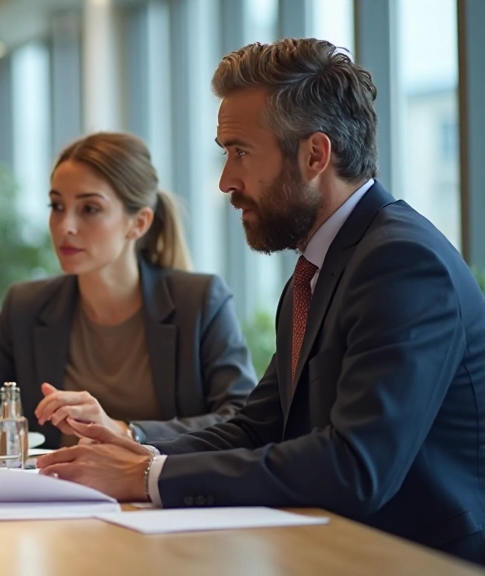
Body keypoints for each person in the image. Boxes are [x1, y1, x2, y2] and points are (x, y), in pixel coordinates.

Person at [36, 38, 485, 565]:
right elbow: (260, 424)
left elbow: (356, 465)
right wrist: (140, 455)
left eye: (240, 152)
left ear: (316, 154)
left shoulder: (402, 263)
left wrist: (145, 476)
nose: (227, 181)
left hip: (412, 558)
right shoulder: (323, 265)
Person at [0, 132, 257, 450]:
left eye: (89, 209)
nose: (65, 226)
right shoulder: (26, 306)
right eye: (57, 206)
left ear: (139, 223)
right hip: (55, 495)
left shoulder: (200, 301)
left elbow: (242, 419)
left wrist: (126, 432)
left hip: (164, 497)